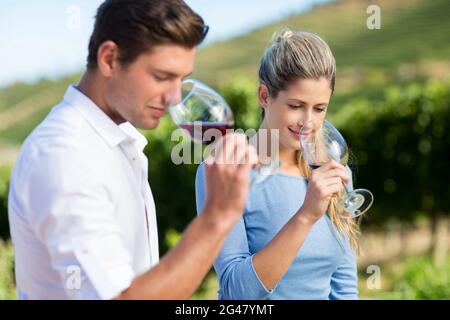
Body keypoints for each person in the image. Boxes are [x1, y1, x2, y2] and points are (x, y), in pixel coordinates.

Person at [8, 0, 257, 300]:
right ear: (110, 59)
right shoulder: (64, 155)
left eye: (181, 78)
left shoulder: (119, 140)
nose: (174, 97)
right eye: (162, 77)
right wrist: (218, 215)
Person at [196, 29, 360, 300]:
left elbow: (344, 289)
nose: (308, 122)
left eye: (319, 108)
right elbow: (237, 292)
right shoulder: (223, 172)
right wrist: (306, 215)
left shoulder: (332, 173)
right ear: (264, 96)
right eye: (296, 105)